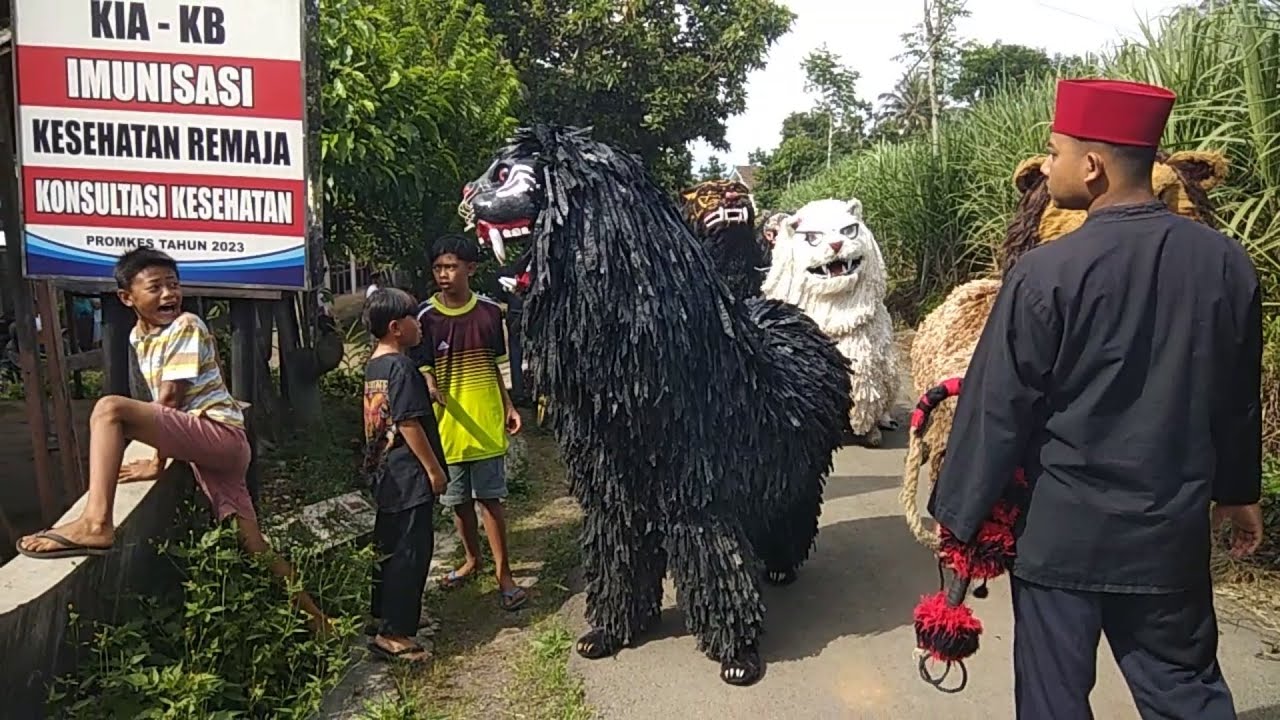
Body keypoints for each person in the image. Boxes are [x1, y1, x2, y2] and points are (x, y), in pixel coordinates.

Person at [928, 78, 1263, 719]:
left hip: (1061, 541)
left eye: (1055, 152)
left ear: (1092, 166)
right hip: (1169, 538)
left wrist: (960, 521)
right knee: (1186, 694)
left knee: (1053, 704)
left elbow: (998, 409)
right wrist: (1238, 492)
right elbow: (1236, 399)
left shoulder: (1045, 273)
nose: (1047, 165)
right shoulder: (1226, 263)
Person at [16, 248, 332, 633]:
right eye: (156, 287)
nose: (169, 295)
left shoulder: (187, 325)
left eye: (174, 285)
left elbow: (170, 401)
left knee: (109, 410)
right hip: (211, 450)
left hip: (219, 436)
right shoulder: (139, 336)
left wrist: (155, 462)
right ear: (126, 297)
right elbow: (168, 412)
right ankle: (318, 621)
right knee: (253, 543)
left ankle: (97, 522)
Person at [411, 234, 527, 611]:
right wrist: (428, 380)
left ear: (471, 269)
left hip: (486, 418)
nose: (443, 275)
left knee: (490, 500)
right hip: (447, 426)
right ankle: (471, 560)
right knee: (458, 502)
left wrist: (508, 406)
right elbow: (422, 363)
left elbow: (495, 366)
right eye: (438, 268)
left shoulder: (491, 312)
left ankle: (504, 573)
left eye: (451, 267)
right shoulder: (425, 317)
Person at [361, 287, 449, 663]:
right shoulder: (402, 367)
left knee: (388, 545)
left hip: (385, 472)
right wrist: (433, 470)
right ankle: (394, 633)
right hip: (409, 474)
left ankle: (383, 614)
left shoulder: (374, 365)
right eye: (415, 318)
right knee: (411, 551)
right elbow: (408, 422)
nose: (421, 324)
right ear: (396, 327)